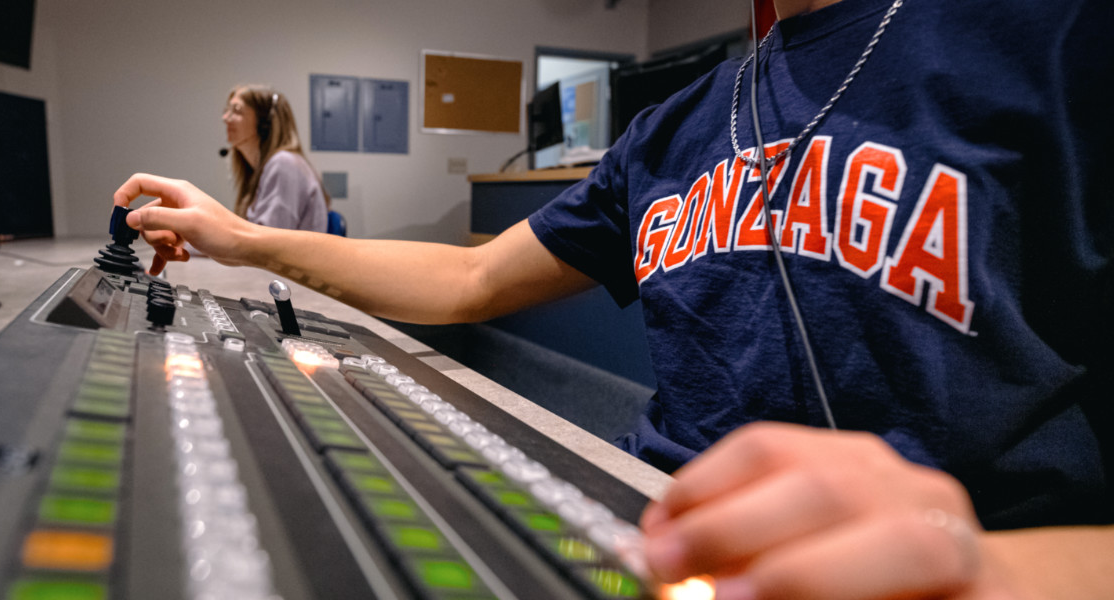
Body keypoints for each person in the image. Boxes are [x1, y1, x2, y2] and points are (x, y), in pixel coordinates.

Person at [114, 0, 1113, 597]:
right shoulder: (674, 123)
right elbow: (470, 278)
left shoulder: (1060, 38)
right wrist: (241, 240)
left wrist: (999, 573)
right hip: (657, 540)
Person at [222, 85, 330, 233]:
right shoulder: (261, 169)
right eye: (227, 111)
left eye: (237, 110)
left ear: (264, 124)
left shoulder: (284, 164)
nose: (225, 118)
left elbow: (265, 243)